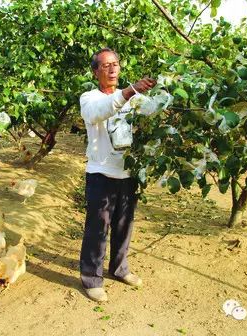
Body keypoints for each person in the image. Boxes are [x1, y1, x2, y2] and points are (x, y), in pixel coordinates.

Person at [79, 47, 157, 302]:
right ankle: (91, 278)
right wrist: (129, 91)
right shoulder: (89, 98)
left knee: (124, 225)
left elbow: (153, 111)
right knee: (97, 227)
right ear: (95, 71)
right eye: (105, 66)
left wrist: (166, 93)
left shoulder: (133, 99)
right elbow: (99, 111)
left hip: (127, 173)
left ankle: (119, 268)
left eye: (116, 64)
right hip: (101, 173)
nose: (112, 69)